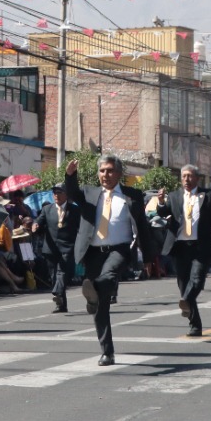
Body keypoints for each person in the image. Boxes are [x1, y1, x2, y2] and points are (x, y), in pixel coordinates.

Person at [62, 154, 155, 365]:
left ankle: (94, 290)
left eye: (110, 170)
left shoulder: (132, 196)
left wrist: (149, 257)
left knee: (109, 275)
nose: (106, 174)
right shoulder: (89, 193)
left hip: (120, 249)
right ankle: (107, 351)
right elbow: (72, 192)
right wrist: (70, 175)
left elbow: (142, 227)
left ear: (119, 174)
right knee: (101, 306)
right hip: (94, 252)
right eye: (102, 171)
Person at [154, 165, 211, 339]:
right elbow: (163, 212)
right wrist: (160, 202)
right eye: (184, 176)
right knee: (183, 284)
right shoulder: (175, 196)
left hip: (201, 246)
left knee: (197, 279)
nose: (186, 179)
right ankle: (195, 325)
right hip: (180, 246)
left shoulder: (208, 196)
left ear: (197, 178)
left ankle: (186, 300)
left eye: (190, 176)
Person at [38, 182, 80, 313]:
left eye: (59, 192)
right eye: (54, 193)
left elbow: (81, 228)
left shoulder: (75, 210)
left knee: (63, 272)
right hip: (50, 248)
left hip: (67, 247)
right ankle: (61, 305)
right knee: (54, 275)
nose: (56, 195)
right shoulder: (47, 209)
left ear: (66, 194)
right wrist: (35, 225)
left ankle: (57, 292)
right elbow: (39, 221)